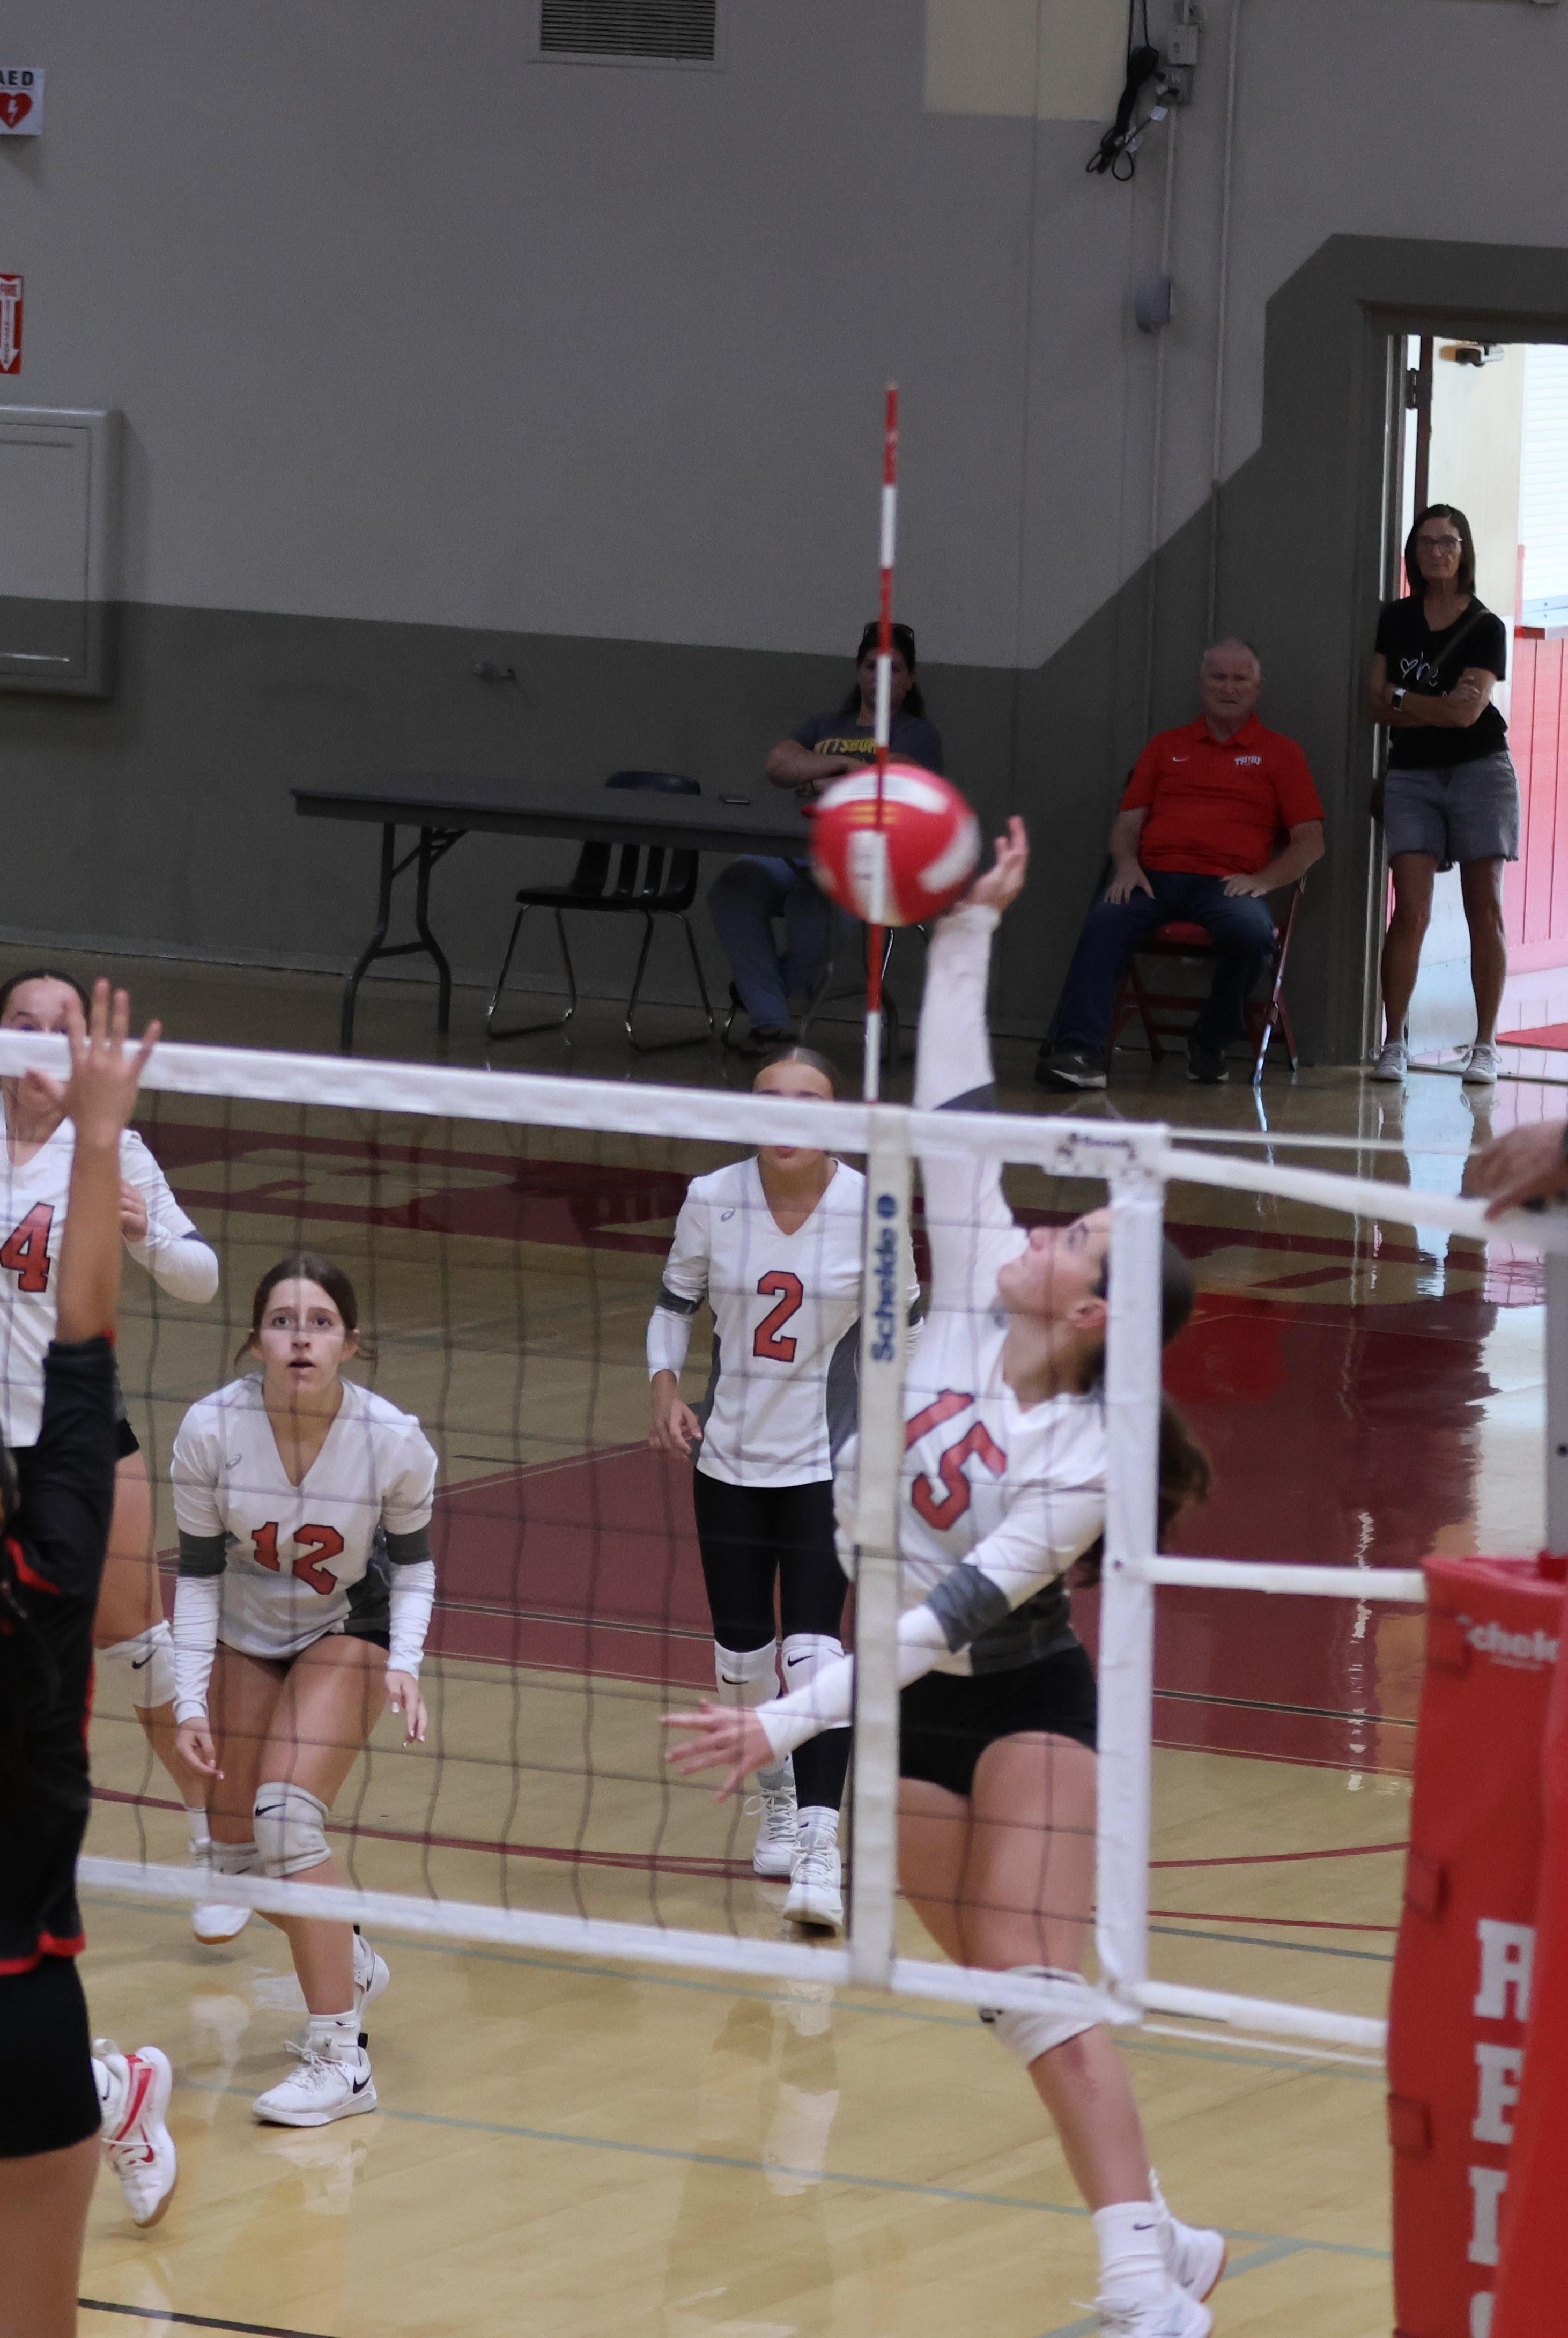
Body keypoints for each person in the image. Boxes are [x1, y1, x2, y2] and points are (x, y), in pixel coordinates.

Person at [666, 823, 1224, 2338]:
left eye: (1082, 1229)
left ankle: (1137, 2282)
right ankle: (1166, 2231)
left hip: (1012, 1690)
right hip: (901, 1696)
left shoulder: (1081, 1457)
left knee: (1035, 1967)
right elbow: (956, 1112)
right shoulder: (980, 1288)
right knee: (996, 1975)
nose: (1046, 1222)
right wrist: (971, 922)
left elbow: (938, 1623)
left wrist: (779, 1729)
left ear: (1097, 1303)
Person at [1, 982, 180, 2338]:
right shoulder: (46, 1576)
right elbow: (87, 1352)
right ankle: (117, 2089)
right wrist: (105, 1133)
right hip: (26, 2009)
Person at [648, 1045, 915, 1931]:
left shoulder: (871, 1205)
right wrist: (661, 1385)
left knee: (816, 1655)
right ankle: (770, 1798)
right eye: (768, 1098)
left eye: (807, 1099)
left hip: (826, 1470)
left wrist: (890, 1433)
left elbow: (906, 1329)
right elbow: (673, 1299)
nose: (785, 1114)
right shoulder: (709, 1199)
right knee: (741, 1660)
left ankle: (816, 1840)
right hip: (724, 1459)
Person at [170, 1250, 438, 2127]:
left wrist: (403, 1659)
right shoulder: (210, 1430)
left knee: (288, 1819)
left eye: (319, 1321)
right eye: (283, 1320)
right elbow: (199, 1578)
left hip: (344, 1628)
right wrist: (187, 1697)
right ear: (254, 1341)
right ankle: (344, 1951)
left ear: (350, 1344)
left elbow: (414, 1566)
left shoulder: (393, 1440)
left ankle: (338, 2053)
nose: (300, 1336)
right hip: (245, 1630)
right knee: (238, 1853)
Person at [0, 969, 227, 1941]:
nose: (42, 1042)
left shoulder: (114, 1148)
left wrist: (146, 1235)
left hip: (77, 1434)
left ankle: (216, 1834)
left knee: (136, 1650)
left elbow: (203, 1276)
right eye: (22, 1023)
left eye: (62, 1028)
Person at [1036, 641, 1324, 1091]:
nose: (1228, 688)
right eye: (1217, 677)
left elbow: (1311, 842)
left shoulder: (1282, 754)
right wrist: (1127, 864)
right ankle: (1081, 1051)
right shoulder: (1165, 747)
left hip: (1228, 884)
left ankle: (1209, 1042)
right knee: (1105, 919)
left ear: (1257, 688)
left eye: (1240, 679)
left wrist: (1263, 881)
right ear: (1200, 684)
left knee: (1252, 933)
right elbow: (1127, 825)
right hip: (1154, 878)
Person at [708, 622, 945, 1050]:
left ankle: (765, 1006)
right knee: (733, 888)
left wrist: (819, 777)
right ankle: (771, 1014)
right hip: (790, 850)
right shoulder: (825, 724)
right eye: (872, 666)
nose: (881, 677)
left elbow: (894, 784)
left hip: (861, 862)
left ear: (910, 681)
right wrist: (853, 770)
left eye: (894, 669)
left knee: (813, 902)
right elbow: (779, 765)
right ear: (858, 672)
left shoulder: (919, 735)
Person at [1367, 504, 1519, 1087]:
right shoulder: (1396, 618)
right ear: (1413, 552)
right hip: (1410, 775)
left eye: (1448, 542)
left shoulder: (1484, 627)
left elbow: (1465, 714)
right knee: (1410, 909)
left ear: (1464, 550)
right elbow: (1369, 702)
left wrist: (1403, 700)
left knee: (1484, 909)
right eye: (1427, 542)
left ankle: (1483, 1045)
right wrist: (1423, 706)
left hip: (1480, 770)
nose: (1437, 552)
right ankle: (1393, 1041)